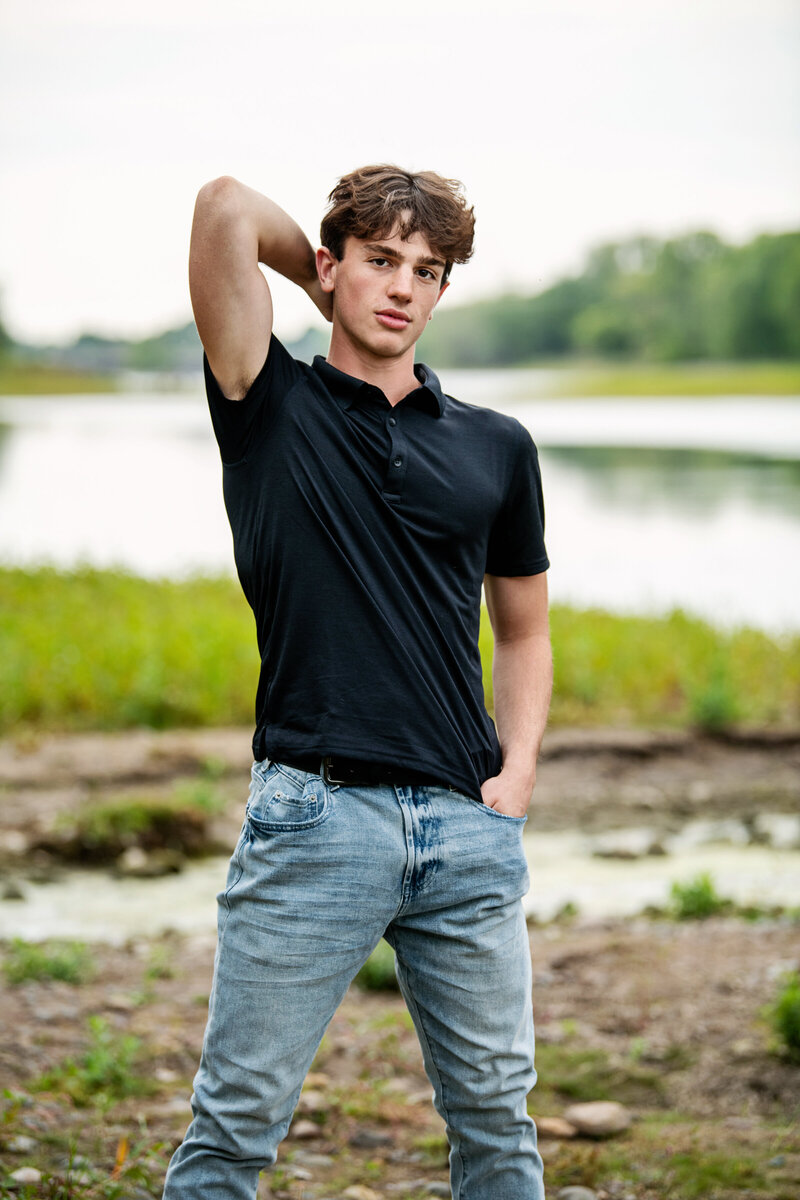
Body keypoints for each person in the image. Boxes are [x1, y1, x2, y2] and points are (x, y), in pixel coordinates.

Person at [163, 164, 552, 1200]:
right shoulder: (265, 397)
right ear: (335, 269)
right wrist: (319, 278)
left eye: (426, 272)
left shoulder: (496, 447)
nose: (402, 288)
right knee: (233, 1128)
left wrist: (513, 778)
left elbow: (521, 629)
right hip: (313, 814)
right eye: (381, 262)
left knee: (496, 1127)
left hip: (465, 827)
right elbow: (223, 208)